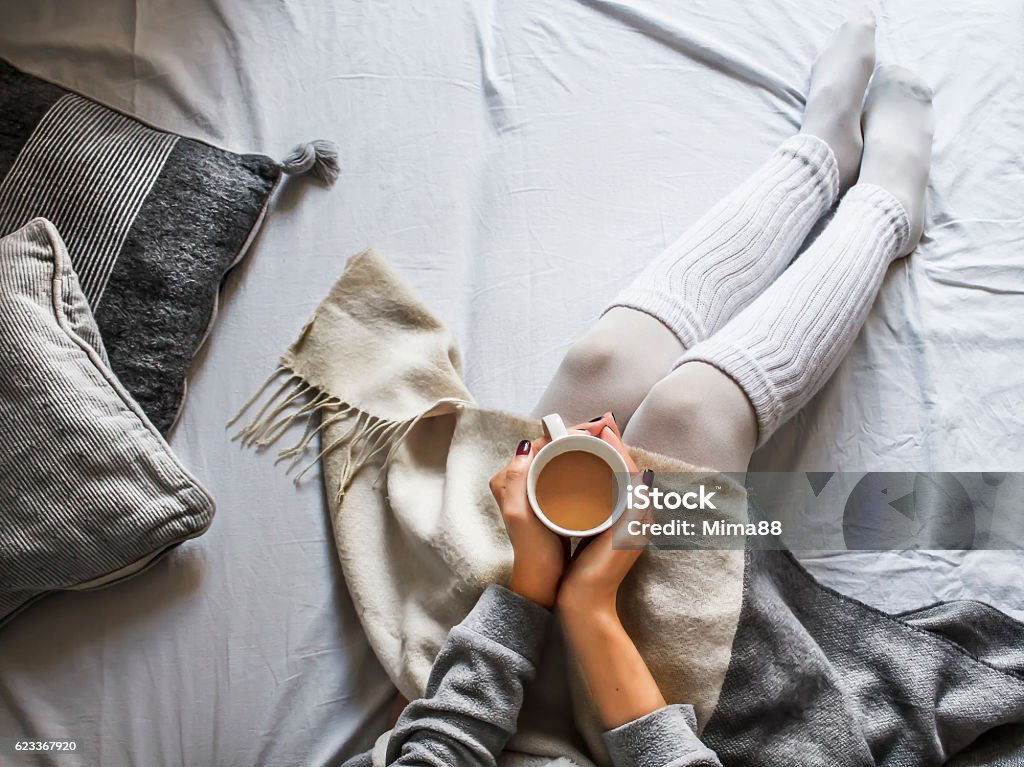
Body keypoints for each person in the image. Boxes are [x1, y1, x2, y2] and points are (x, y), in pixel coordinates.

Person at [343, 12, 933, 766]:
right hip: (647, 730)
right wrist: (588, 604)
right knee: (688, 412)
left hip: (479, 685)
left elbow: (437, 745)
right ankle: (885, 212)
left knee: (600, 368)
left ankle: (818, 155)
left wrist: (529, 585)